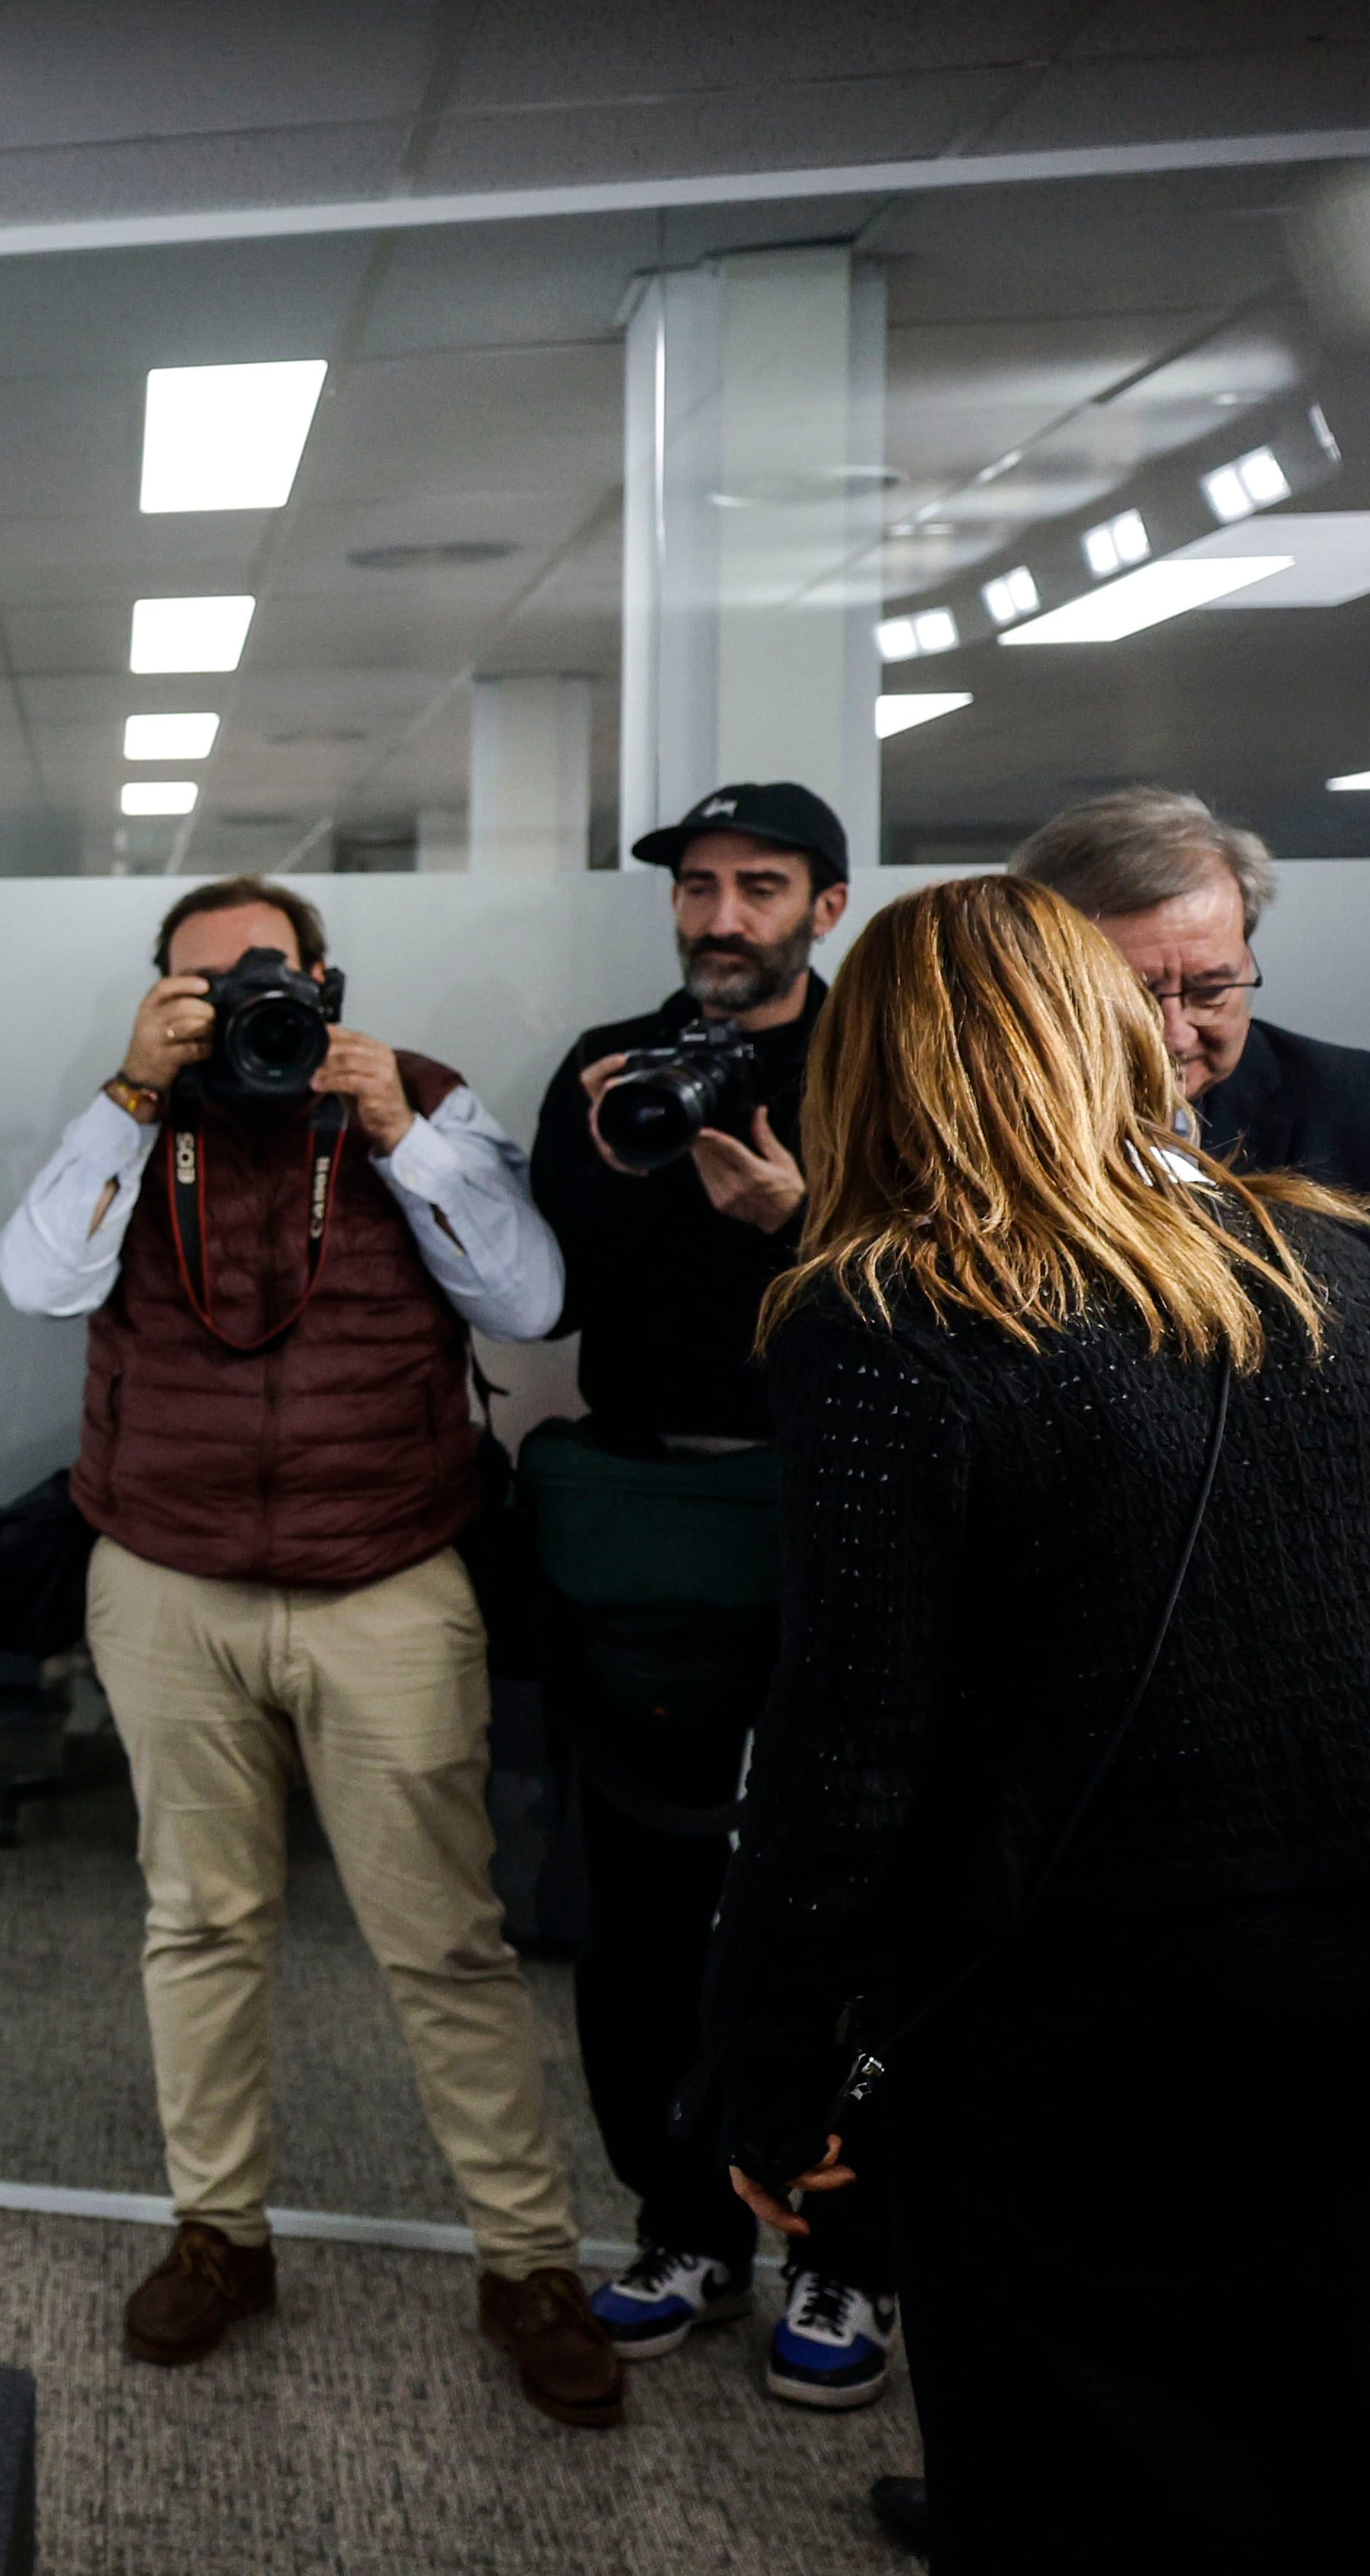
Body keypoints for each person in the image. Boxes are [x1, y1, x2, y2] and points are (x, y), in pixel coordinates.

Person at [703, 875, 1370, 2573]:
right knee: (1294, 2427)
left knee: (1059, 2470)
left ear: (879, 1069)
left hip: (1100, 1998)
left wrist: (764, 2085)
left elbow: (845, 1756)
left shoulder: (892, 1316)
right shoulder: (1344, 1279)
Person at [0, 875, 623, 2429]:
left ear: (325, 983)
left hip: (386, 1576)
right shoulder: (135, 1120)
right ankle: (218, 2237)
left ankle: (527, 2264)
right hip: (168, 1577)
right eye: (198, 988)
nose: (237, 1011)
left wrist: (397, 1128)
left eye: (262, 982)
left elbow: (532, 1301)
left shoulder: (417, 1104)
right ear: (157, 1000)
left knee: (445, 1944)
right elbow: (36, 1280)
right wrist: (136, 1092)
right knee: (199, 1927)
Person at [525, 781, 902, 2407]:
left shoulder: (887, 1065)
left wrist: (798, 1223)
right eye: (697, 885)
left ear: (826, 904)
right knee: (643, 1910)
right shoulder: (611, 1070)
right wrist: (624, 1151)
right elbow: (544, 1280)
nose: (718, 915)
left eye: (758, 885)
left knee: (844, 1902)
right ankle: (680, 2226)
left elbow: (952, 1291)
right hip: (650, 1519)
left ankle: (844, 2252)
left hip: (839, 1523)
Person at [1012, 785, 1370, 1393]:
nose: (1174, 1032)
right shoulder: (973, 1129)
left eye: (1212, 991)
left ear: (1247, 958)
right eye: (1129, 998)